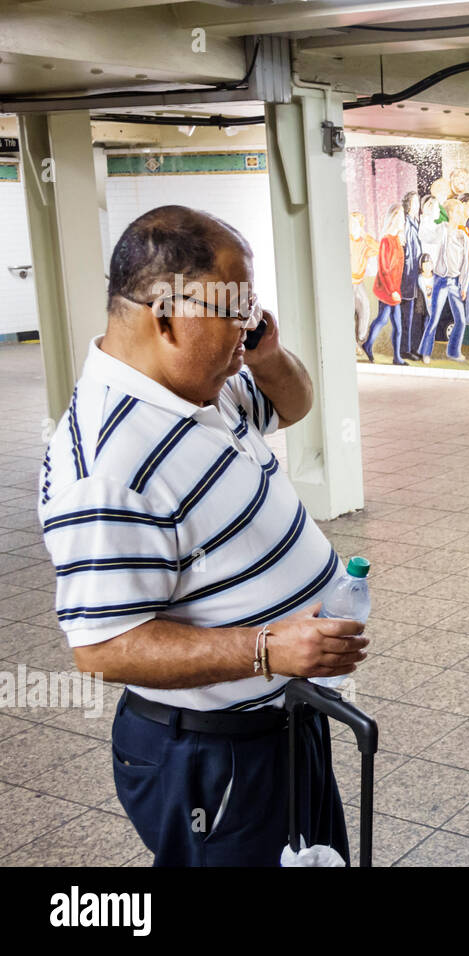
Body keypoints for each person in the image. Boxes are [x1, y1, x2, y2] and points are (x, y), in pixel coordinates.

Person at [38, 205, 368, 866]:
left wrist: (266, 353)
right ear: (165, 313)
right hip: (215, 758)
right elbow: (104, 647)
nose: (247, 329)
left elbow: (294, 403)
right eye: (236, 311)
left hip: (280, 722)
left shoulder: (204, 381)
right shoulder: (108, 467)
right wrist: (265, 650)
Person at [416, 197, 469, 363]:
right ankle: (425, 352)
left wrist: (463, 286)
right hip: (441, 281)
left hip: (455, 283)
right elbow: (425, 236)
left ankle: (453, 351)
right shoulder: (442, 229)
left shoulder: (463, 236)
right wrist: (426, 216)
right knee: (434, 318)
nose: (459, 215)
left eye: (460, 212)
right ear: (448, 213)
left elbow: (466, 264)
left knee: (461, 320)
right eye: (456, 212)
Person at [362, 203, 407, 365]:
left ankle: (397, 357)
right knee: (383, 319)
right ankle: (368, 345)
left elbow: (399, 267)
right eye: (400, 217)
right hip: (387, 289)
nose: (402, 220)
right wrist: (392, 290)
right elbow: (384, 269)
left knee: (396, 324)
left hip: (395, 289)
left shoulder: (397, 239)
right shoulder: (386, 240)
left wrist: (397, 289)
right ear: (393, 218)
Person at [398, 190, 423, 362]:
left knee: (414, 315)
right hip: (407, 276)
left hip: (415, 274)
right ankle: (404, 349)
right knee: (406, 316)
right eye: (414, 203)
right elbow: (406, 252)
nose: (417, 206)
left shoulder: (415, 222)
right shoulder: (406, 223)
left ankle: (411, 347)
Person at [348, 211, 378, 343]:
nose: (352, 226)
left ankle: (361, 336)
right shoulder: (346, 240)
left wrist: (365, 236)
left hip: (359, 282)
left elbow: (377, 248)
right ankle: (352, 343)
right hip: (346, 283)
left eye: (356, 223)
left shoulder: (364, 243)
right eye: (351, 223)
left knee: (365, 306)